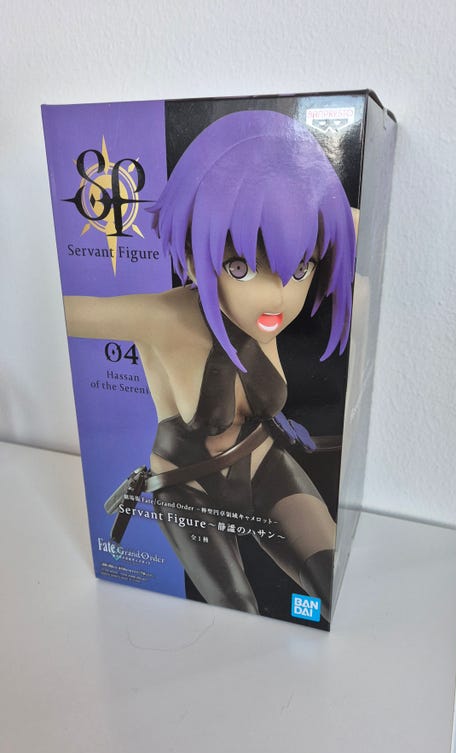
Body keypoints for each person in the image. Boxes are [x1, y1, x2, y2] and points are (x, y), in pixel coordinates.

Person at [64, 109, 356, 623]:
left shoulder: (266, 318)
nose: (277, 297)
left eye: (300, 268)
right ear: (195, 254)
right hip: (187, 485)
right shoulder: (161, 318)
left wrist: (316, 184)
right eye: (239, 267)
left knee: (336, 584)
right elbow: (65, 310)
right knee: (233, 611)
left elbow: (356, 222)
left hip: (266, 468)